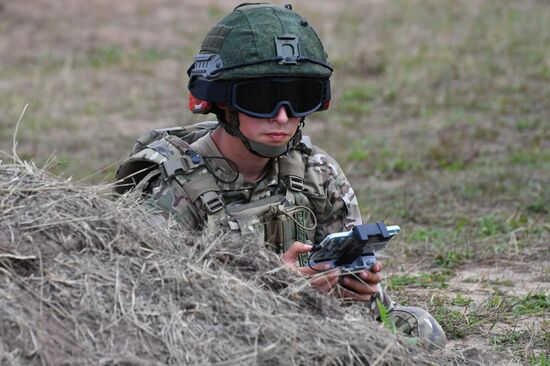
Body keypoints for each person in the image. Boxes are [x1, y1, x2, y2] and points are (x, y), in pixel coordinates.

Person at [115, 3, 446, 350]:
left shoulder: (316, 172)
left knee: (422, 330)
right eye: (263, 99)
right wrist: (271, 287)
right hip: (217, 338)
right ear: (222, 102)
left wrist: (359, 289)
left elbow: (357, 292)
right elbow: (151, 309)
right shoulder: (171, 188)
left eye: (298, 98)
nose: (282, 117)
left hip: (307, 329)